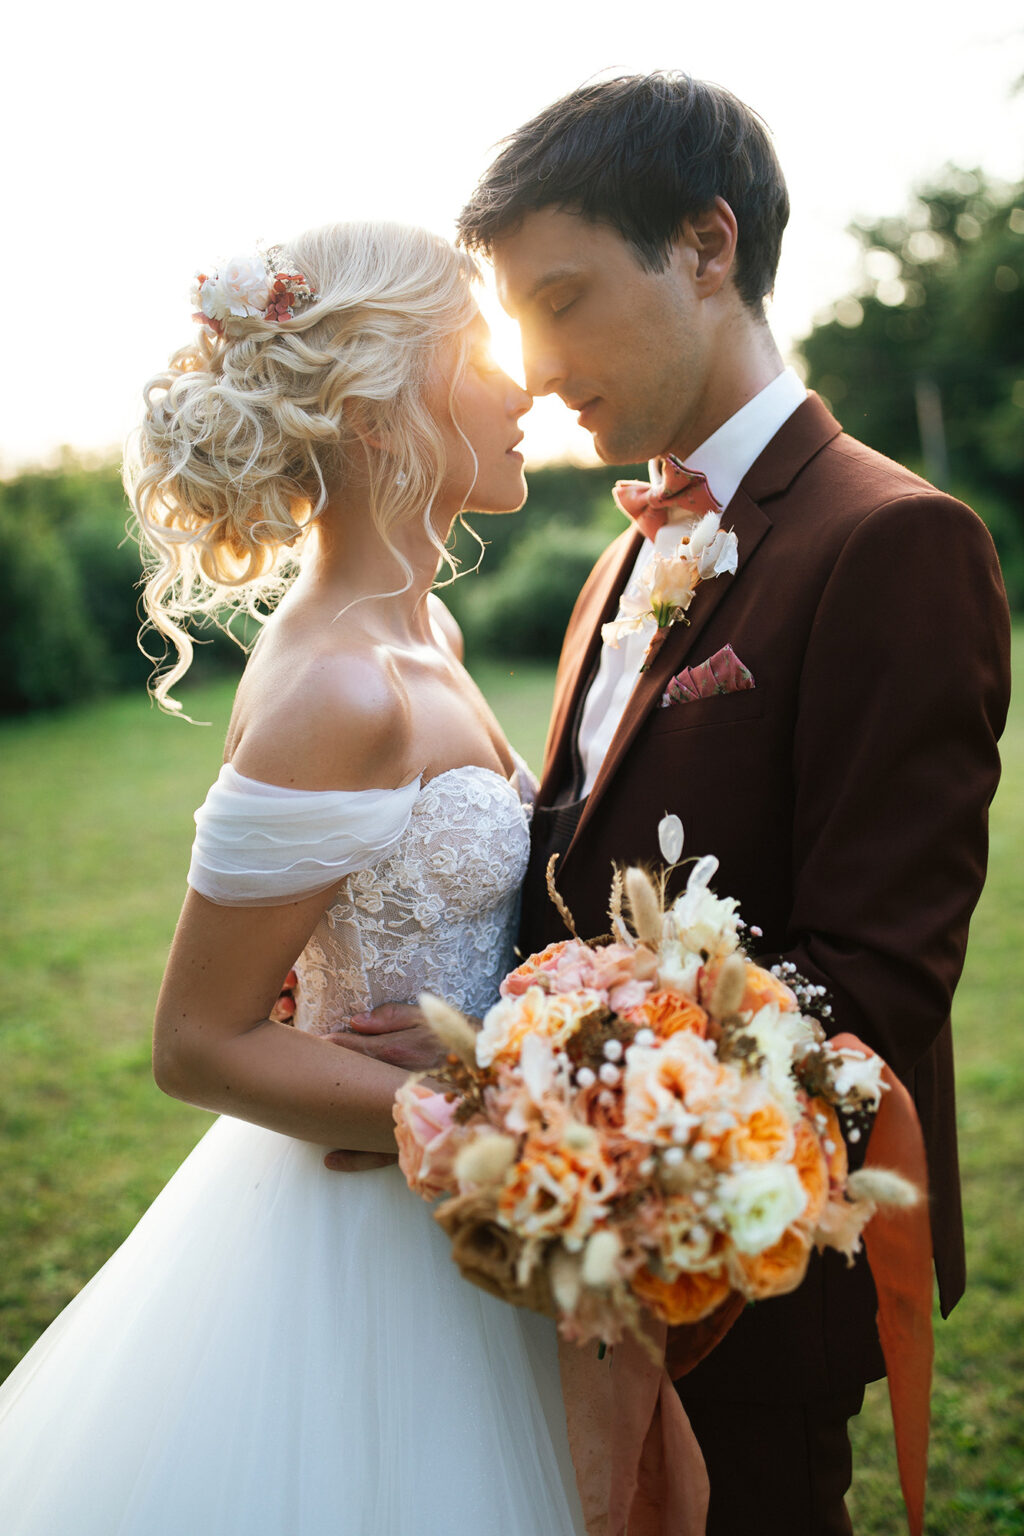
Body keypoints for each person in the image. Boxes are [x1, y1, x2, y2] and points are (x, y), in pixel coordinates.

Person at [331, 75, 1012, 1533]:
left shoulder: (895, 542)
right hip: (568, 1252)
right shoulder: (623, 551)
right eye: (516, 317)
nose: (535, 363)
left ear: (707, 247)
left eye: (564, 298)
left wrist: (520, 1089)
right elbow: (573, 864)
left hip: (749, 1269)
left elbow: (873, 984)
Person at [0, 222, 587, 1535]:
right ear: (382, 416)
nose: (522, 387)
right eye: (482, 354)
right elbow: (198, 1043)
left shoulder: (419, 628)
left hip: (471, 1213)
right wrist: (468, 1105)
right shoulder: (338, 685)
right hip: (378, 1246)